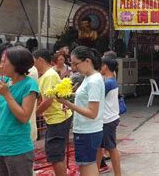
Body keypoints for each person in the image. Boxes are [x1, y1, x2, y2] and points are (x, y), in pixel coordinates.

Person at [55, 46, 105, 176]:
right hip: (88, 130)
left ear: (87, 61)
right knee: (88, 165)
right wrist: (71, 100)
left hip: (88, 131)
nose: (73, 67)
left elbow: (92, 113)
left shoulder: (93, 81)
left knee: (88, 166)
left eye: (75, 63)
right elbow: (86, 101)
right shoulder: (90, 78)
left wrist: (67, 103)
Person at [0, 46, 39, 176]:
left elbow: (24, 117)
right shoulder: (5, 80)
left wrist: (6, 94)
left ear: (16, 64)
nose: (0, 65)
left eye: (3, 61)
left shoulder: (29, 85)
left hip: (18, 149)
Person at [33, 49, 73, 176]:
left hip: (57, 119)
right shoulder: (47, 75)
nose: (33, 65)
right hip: (56, 118)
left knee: (56, 155)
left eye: (34, 62)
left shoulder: (49, 75)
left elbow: (48, 101)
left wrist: (33, 114)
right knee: (56, 154)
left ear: (40, 60)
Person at [96, 56, 122, 176]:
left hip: (108, 120)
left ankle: (118, 174)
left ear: (105, 66)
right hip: (106, 119)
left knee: (111, 148)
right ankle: (94, 171)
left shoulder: (108, 82)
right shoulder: (111, 80)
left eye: (101, 65)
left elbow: (96, 97)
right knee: (99, 148)